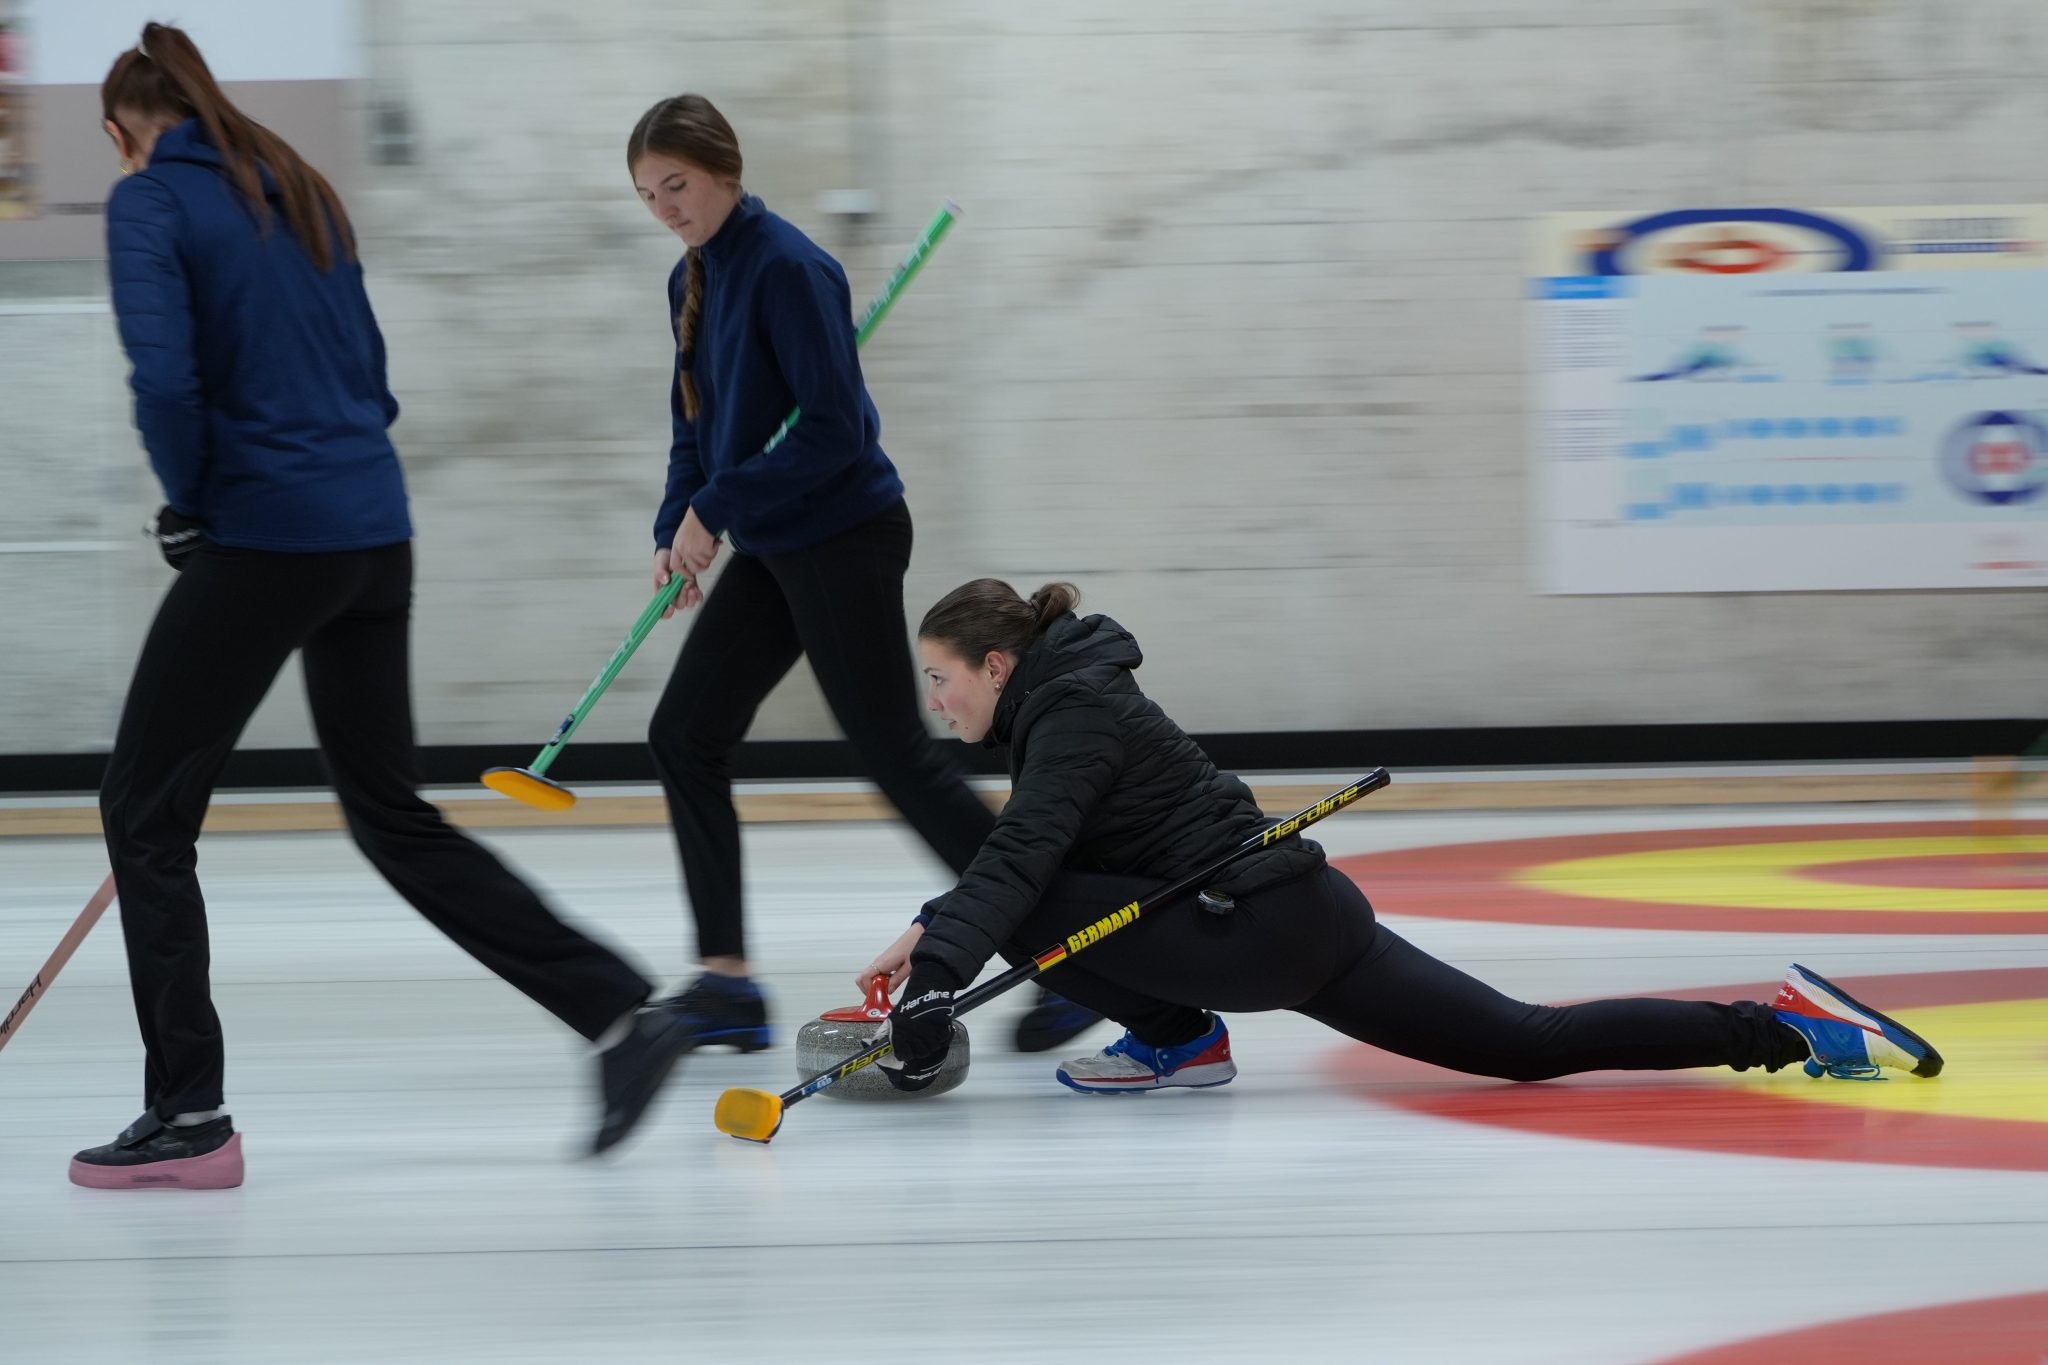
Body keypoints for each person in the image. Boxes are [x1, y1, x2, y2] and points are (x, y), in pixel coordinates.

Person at [74, 25, 690, 1190]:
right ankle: (620, 1014)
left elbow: (164, 379)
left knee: (142, 812)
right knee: (390, 814)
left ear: (122, 134)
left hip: (266, 533)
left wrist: (190, 503)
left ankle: (188, 1113)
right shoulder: (299, 188)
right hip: (372, 529)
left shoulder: (150, 201)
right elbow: (372, 373)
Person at [860, 580, 1945, 1096]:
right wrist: (931, 933)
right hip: (1303, 915)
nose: (935, 702)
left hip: (1252, 929)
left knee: (1019, 901)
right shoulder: (1069, 703)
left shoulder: (1072, 713)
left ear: (995, 667)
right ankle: (1787, 1028)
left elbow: (1023, 858)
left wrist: (940, 971)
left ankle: (1179, 1040)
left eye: (940, 679)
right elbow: (1041, 844)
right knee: (1526, 1044)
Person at [624, 94, 1100, 1052]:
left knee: (896, 754)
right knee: (685, 734)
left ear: (724, 170)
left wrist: (720, 506)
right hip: (774, 540)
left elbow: (836, 433)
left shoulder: (792, 268)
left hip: (844, 534)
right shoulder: (692, 278)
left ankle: (1075, 955)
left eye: (677, 185)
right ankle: (726, 985)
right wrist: (679, 523)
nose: (666, 208)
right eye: (648, 195)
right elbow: (694, 427)